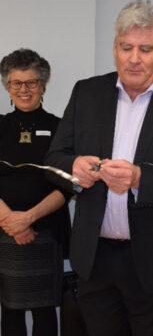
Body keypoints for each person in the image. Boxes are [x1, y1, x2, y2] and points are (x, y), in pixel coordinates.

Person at [45, 0, 153, 336]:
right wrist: (74, 166)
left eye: (146, 49)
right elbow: (53, 161)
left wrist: (139, 178)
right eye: (126, 47)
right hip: (95, 259)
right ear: (114, 48)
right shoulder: (87, 92)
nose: (134, 58)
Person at [0, 48, 71, 336]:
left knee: (45, 312)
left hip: (46, 232)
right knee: (10, 310)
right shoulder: (0, 127)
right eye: (17, 83)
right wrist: (11, 221)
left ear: (42, 86)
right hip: (4, 232)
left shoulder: (61, 128)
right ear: (8, 86)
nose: (24, 89)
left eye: (31, 82)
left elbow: (68, 184)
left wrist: (27, 218)